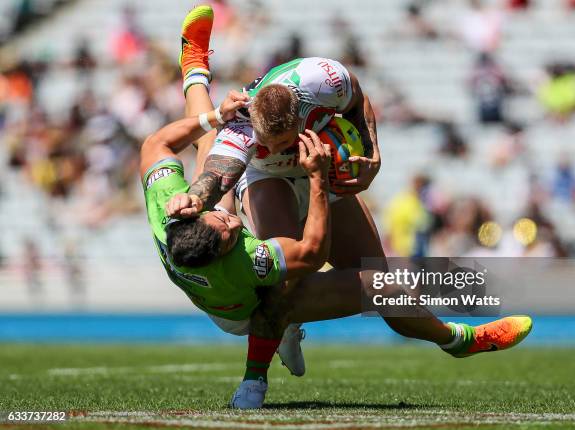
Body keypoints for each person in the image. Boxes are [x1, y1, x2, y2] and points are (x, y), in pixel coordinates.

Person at [140, 97, 533, 409]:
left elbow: (157, 143)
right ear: (227, 252)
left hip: (240, 222)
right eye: (230, 232)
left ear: (188, 215)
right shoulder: (247, 261)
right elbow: (311, 253)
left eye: (220, 220)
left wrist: (208, 102)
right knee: (304, 291)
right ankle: (257, 375)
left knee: (210, 147)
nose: (236, 223)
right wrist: (315, 180)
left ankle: (194, 62)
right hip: (244, 304)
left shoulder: (167, 209)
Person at [169, 4, 386, 376]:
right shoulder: (243, 130)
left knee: (376, 276)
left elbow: (356, 98)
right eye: (263, 140)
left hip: (309, 163)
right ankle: (262, 365)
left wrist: (371, 153)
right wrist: (200, 197)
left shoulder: (322, 78)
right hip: (263, 180)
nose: (271, 146)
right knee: (285, 278)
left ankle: (193, 66)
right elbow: (219, 174)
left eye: (279, 140)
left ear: (299, 115)